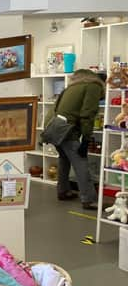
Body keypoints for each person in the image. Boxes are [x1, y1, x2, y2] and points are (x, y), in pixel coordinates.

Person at [52, 69, 105, 209]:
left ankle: (63, 191)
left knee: (64, 160)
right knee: (81, 164)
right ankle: (89, 199)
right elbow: (87, 114)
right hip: (67, 130)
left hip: (54, 128)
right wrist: (86, 139)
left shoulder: (72, 87)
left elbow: (57, 108)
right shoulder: (94, 86)